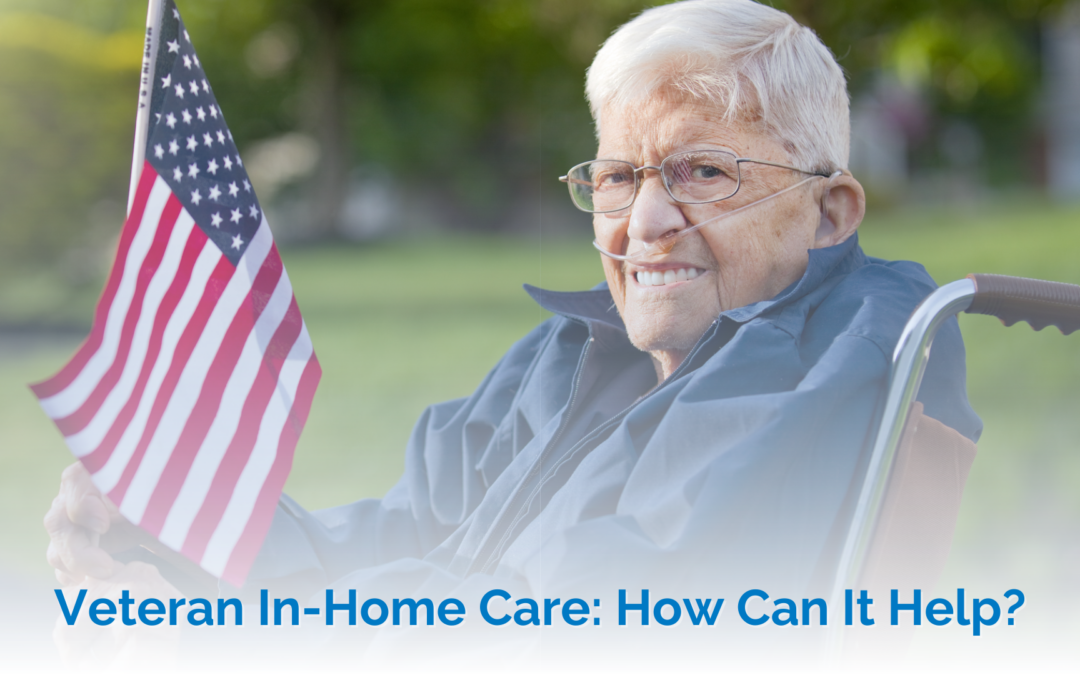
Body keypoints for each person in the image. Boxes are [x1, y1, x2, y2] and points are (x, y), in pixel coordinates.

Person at [46, 0, 981, 658]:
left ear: (833, 211)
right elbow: (403, 532)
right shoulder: (581, 349)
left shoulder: (850, 350)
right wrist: (188, 534)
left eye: (702, 173)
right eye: (617, 177)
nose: (644, 224)